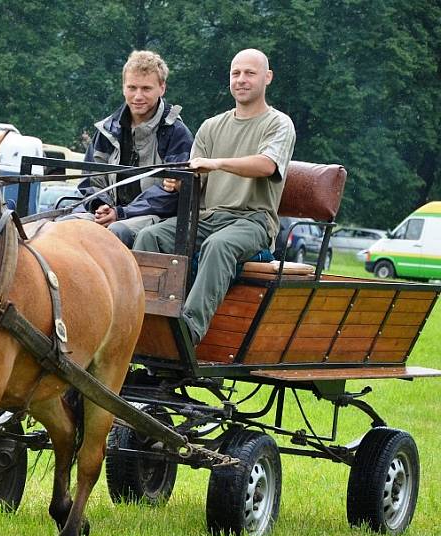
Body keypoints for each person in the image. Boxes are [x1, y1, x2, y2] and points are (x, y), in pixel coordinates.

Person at [134, 48, 296, 345]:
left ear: (267, 77)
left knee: (218, 246)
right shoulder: (211, 126)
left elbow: (267, 164)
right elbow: (195, 176)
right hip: (210, 217)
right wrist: (179, 182)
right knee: (149, 237)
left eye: (250, 73)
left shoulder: (279, 124)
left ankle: (187, 333)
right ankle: (143, 324)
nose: (241, 80)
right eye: (236, 73)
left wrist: (217, 163)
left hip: (253, 222)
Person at [74, 50, 194, 247]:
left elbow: (172, 195)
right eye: (132, 87)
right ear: (123, 88)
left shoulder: (176, 133)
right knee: (62, 226)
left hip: (156, 218)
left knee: (116, 231)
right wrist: (100, 205)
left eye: (146, 88)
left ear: (162, 88)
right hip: (107, 213)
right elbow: (90, 180)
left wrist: (121, 214)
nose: (138, 96)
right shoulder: (106, 130)